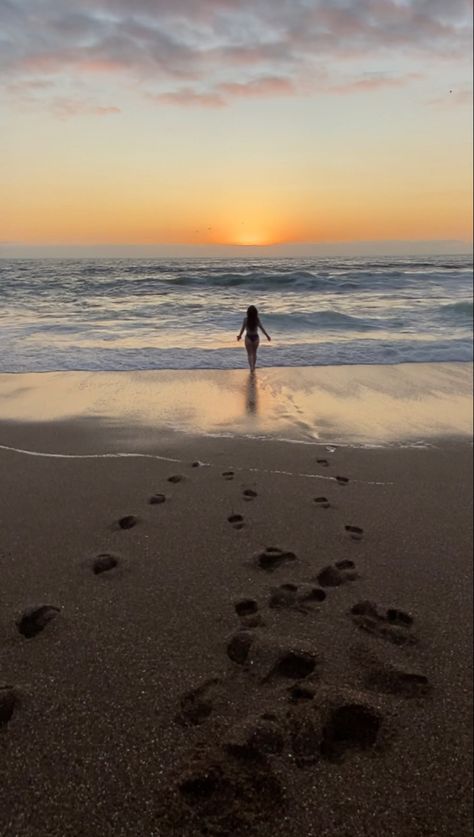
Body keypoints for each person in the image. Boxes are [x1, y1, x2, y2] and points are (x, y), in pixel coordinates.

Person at [237, 305, 271, 371]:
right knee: (254, 353)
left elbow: (242, 329)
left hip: (248, 337)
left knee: (249, 354)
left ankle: (251, 367)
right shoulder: (257, 319)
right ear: (256, 312)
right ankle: (254, 366)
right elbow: (262, 328)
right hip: (256, 337)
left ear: (248, 312)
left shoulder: (246, 319)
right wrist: (267, 336)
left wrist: (239, 336)